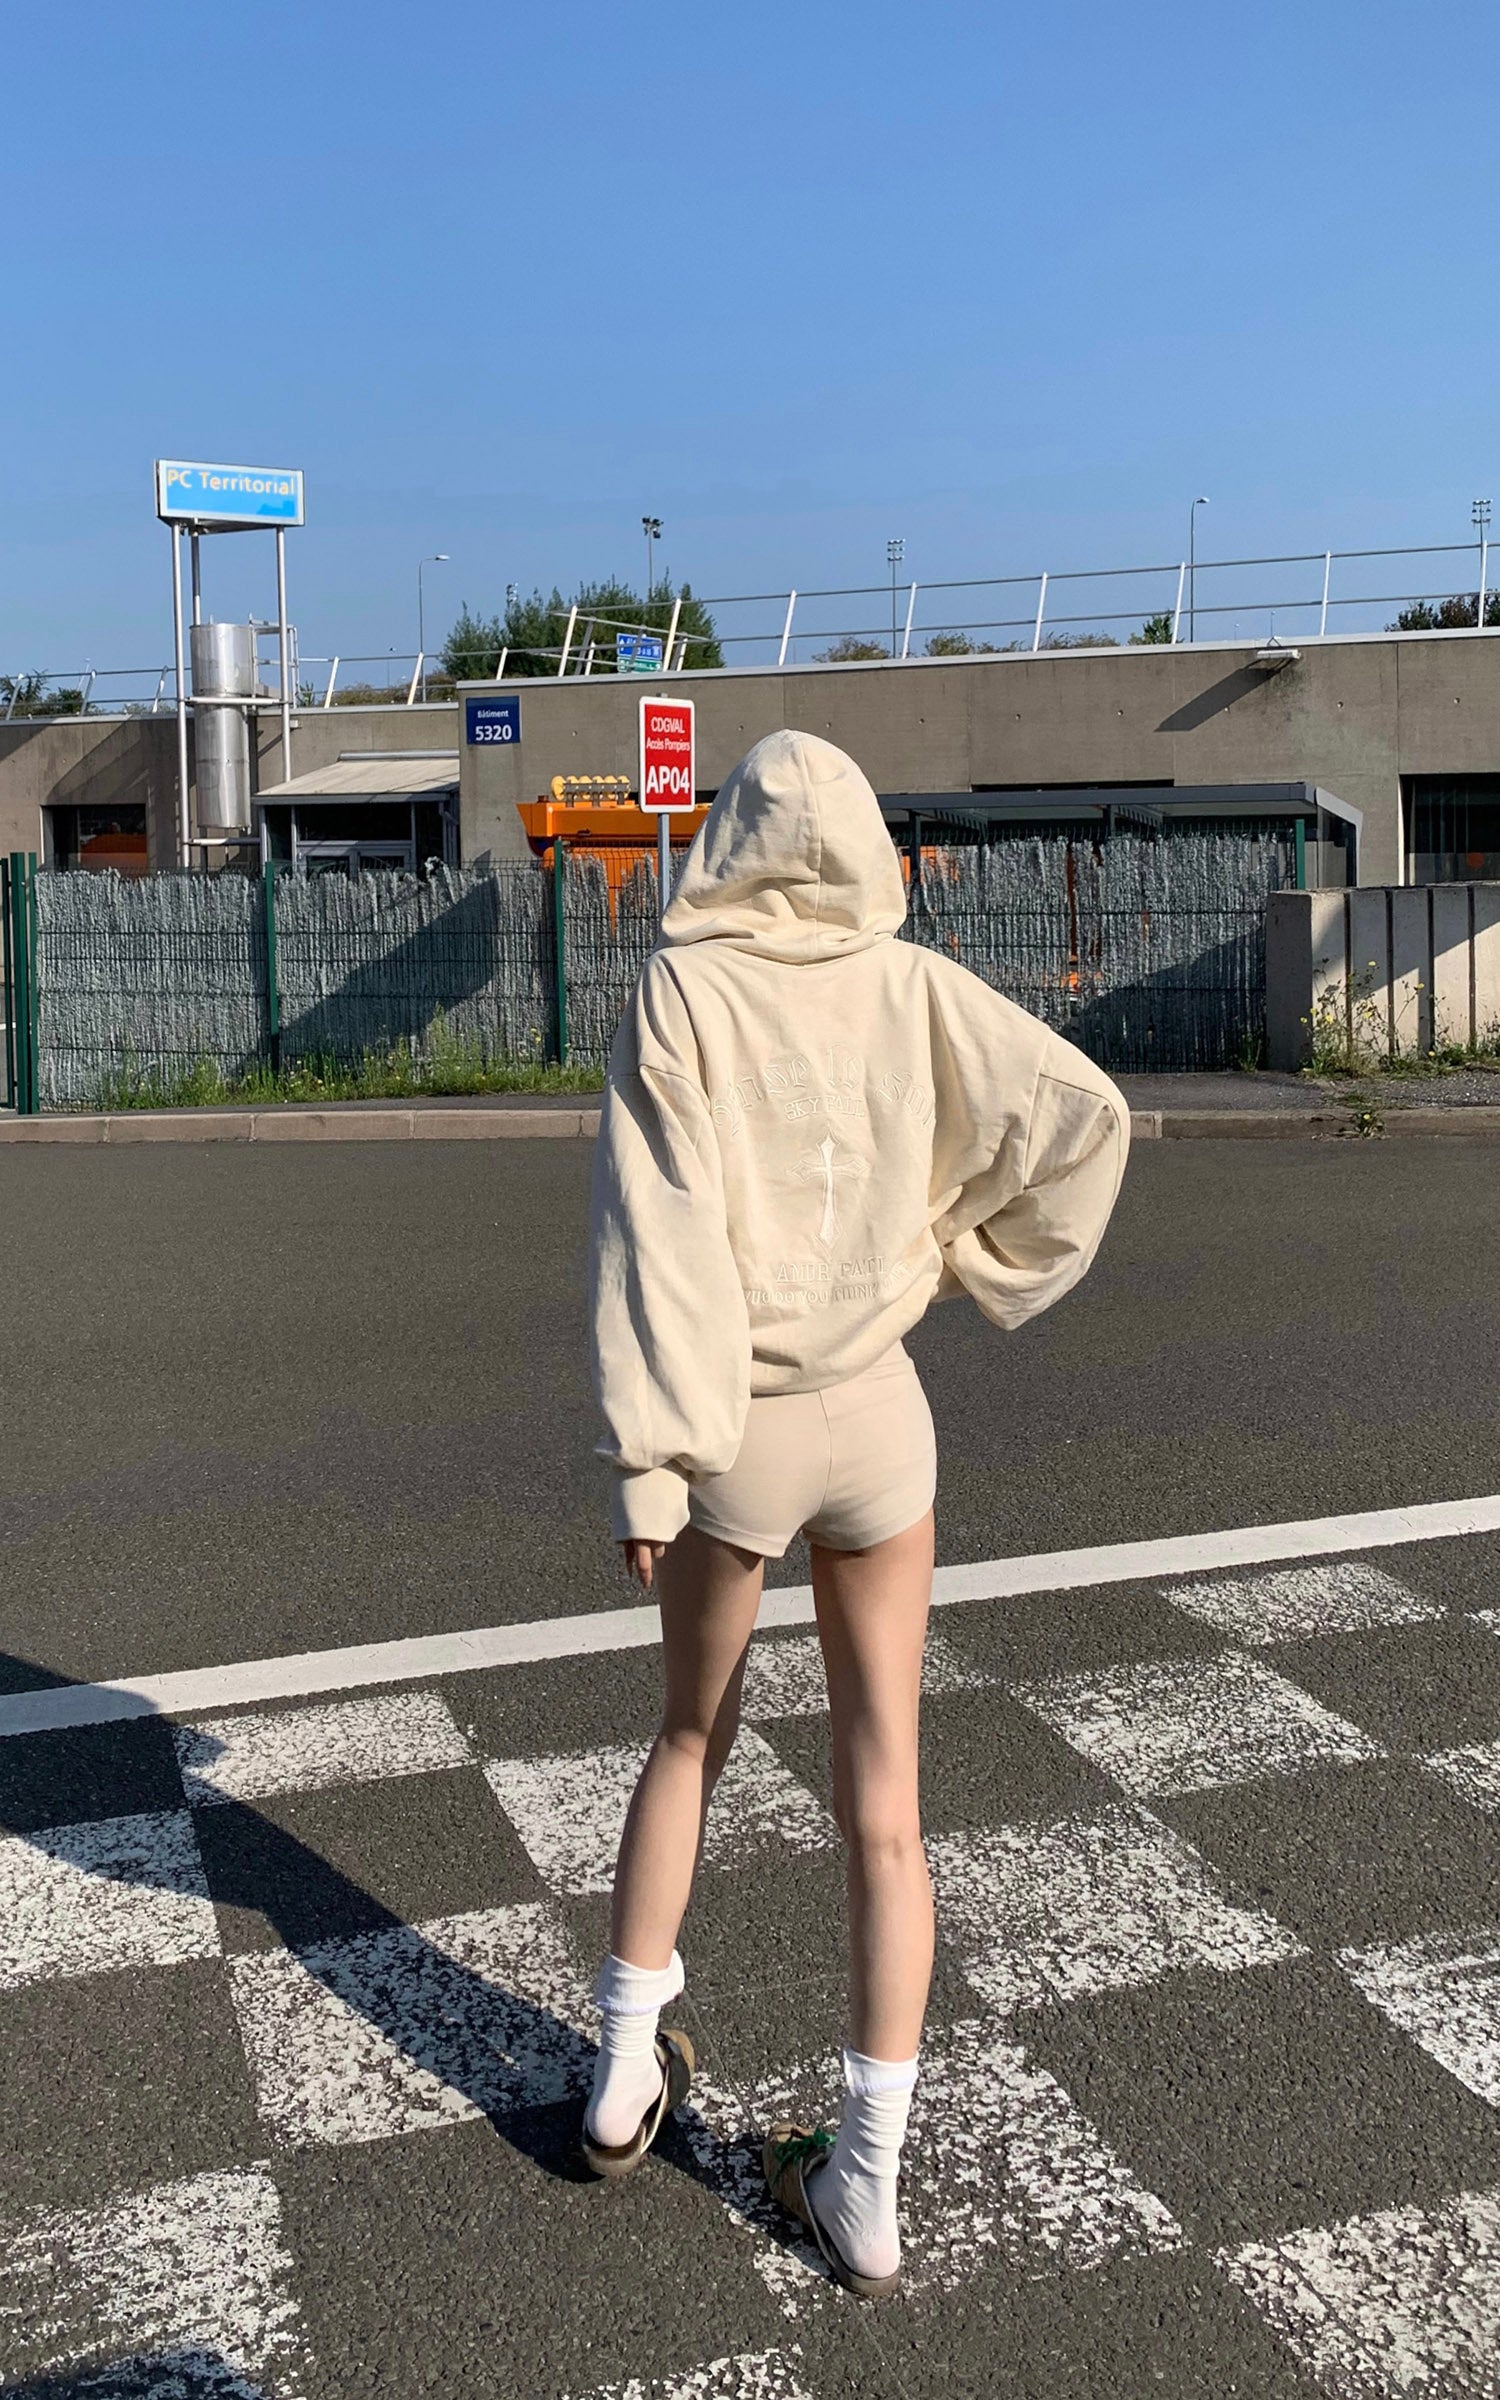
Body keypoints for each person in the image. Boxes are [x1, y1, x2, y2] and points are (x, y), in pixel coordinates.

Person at [583, 729, 1129, 2295]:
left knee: (688, 1736)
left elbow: (656, 1237)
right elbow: (1085, 1117)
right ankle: (866, 2189)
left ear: (732, 839)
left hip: (736, 1428)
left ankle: (622, 2075)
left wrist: (650, 1462)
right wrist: (965, 1257)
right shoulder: (915, 986)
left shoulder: (684, 989)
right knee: (888, 1811)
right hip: (885, 1417)